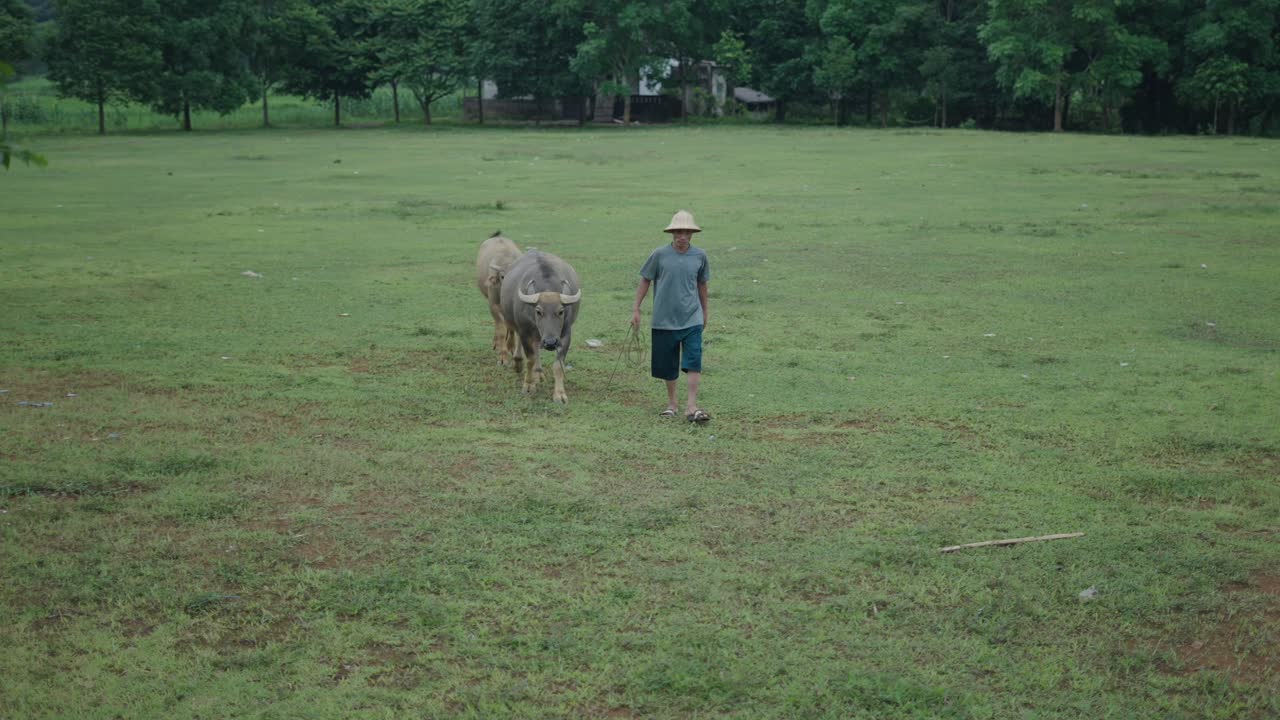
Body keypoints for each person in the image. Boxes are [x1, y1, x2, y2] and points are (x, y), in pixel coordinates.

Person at [631, 210, 711, 423]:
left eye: (686, 232)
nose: (682, 235)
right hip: (664, 319)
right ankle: (672, 404)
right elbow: (645, 280)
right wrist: (636, 309)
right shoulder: (659, 255)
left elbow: (702, 284)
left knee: (694, 360)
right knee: (668, 364)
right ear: (672, 233)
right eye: (678, 231)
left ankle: (692, 406)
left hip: (692, 317)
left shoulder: (700, 256)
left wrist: (705, 312)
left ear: (692, 234)